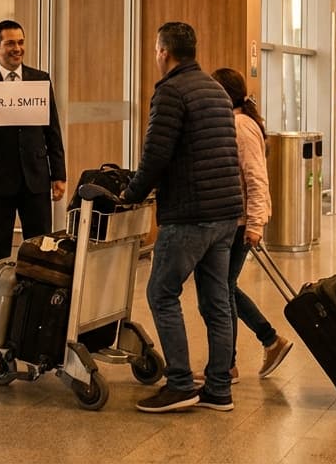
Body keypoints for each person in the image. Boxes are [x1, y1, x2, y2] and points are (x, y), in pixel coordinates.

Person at [121, 22, 243, 413]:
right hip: (226, 213)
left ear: (163, 51)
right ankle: (219, 388)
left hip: (190, 214)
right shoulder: (217, 90)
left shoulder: (171, 91)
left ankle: (179, 383)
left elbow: (156, 155)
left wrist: (131, 193)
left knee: (161, 292)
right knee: (217, 300)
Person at [0, 19, 66, 262]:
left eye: (20, 42)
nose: (17, 48)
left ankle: (35, 299)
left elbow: (53, 131)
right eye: (10, 43)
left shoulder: (40, 79)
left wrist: (58, 174)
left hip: (35, 181)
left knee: (41, 251)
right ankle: (1, 299)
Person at [211, 67, 292, 381]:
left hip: (240, 221)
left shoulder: (240, 125)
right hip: (237, 219)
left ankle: (232, 362)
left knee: (223, 288)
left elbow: (256, 178)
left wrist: (255, 223)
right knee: (225, 286)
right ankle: (269, 340)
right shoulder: (239, 121)